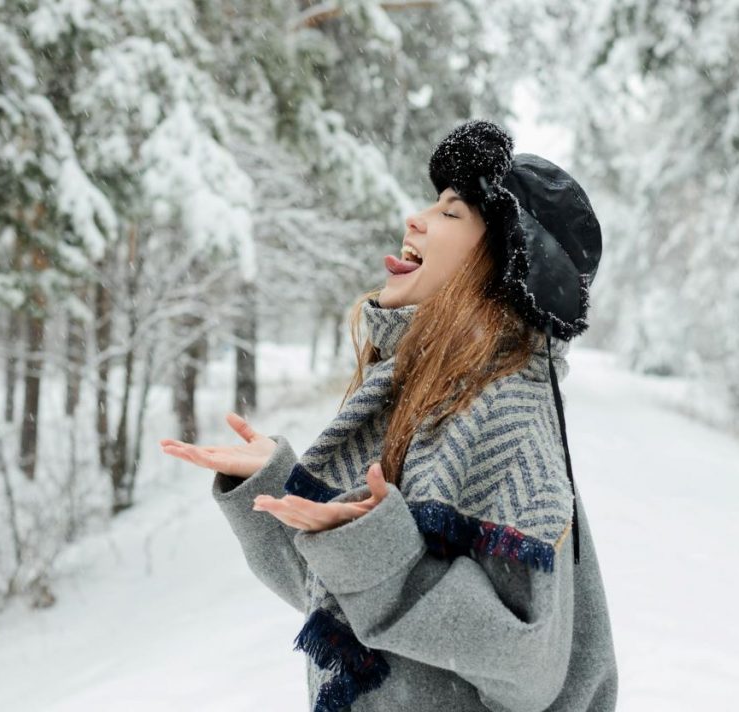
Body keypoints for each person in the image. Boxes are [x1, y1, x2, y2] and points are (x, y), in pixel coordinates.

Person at [160, 120, 618, 712]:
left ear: (502, 268)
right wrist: (269, 486)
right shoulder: (412, 395)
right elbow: (333, 596)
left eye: (452, 214)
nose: (416, 219)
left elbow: (526, 666)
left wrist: (376, 549)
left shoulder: (504, 411)